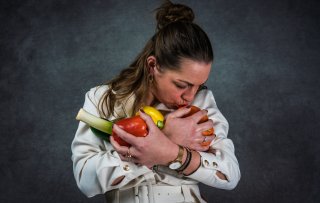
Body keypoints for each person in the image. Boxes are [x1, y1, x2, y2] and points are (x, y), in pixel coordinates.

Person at [71, 1, 240, 202]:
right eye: (181, 84)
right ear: (153, 66)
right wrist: (162, 138)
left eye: (199, 85)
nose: (190, 96)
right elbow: (85, 179)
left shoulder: (201, 101)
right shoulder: (102, 98)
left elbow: (230, 174)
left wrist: (172, 152)